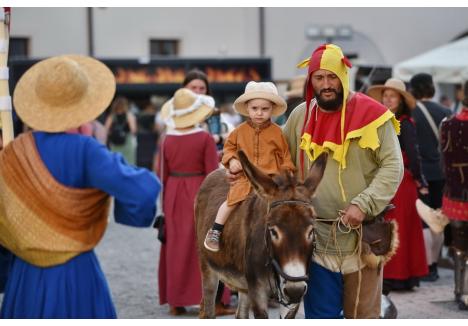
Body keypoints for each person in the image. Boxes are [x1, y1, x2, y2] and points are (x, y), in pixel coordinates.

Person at [0, 55, 160, 318]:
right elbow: (142, 191)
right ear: (82, 102)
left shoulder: (14, 151)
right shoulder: (86, 150)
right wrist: (127, 213)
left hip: (24, 273)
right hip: (74, 272)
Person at [282, 44, 403, 318]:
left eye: (332, 76)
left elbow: (393, 166)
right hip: (316, 240)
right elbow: (279, 160)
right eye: (319, 77)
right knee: (321, 317)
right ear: (311, 80)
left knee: (363, 316)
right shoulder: (300, 116)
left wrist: (364, 204)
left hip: (362, 239)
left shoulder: (374, 115)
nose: (326, 85)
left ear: (343, 76)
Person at [203, 81, 296, 252]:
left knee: (284, 209)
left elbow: (285, 157)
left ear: (272, 109)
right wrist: (231, 161)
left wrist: (287, 173)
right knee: (230, 202)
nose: (259, 113)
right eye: (255, 108)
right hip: (245, 178)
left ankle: (287, 241)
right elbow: (228, 148)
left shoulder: (278, 133)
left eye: (264, 109)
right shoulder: (238, 131)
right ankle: (216, 229)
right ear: (247, 108)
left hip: (271, 182)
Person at [157, 88, 223, 316]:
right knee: (203, 245)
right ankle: (212, 299)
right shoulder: (204, 137)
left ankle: (175, 301)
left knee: (175, 246)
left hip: (174, 192)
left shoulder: (166, 139)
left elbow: (161, 175)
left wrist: (164, 204)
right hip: (200, 191)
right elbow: (213, 173)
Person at [367, 78, 429, 294]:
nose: (388, 99)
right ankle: (394, 275)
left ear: (401, 100)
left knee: (397, 227)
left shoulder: (404, 123)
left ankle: (399, 276)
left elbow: (413, 154)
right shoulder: (383, 121)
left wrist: (420, 179)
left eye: (392, 96)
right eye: (385, 96)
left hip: (401, 182)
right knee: (393, 227)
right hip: (388, 180)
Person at [416, 80, 468, 310]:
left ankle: (461, 291)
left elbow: (443, 160)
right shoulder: (445, 116)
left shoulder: (448, 123)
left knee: (460, 247)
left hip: (455, 197)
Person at [409, 73, 452, 282]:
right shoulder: (446, 111)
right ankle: (434, 265)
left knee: (425, 222)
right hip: (443, 174)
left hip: (422, 175)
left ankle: (427, 267)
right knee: (439, 220)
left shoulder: (412, 112)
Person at [105, 96, 138, 165]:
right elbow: (133, 130)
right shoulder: (129, 115)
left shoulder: (111, 116)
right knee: (128, 163)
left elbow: (106, 129)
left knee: (115, 163)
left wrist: (113, 134)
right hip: (127, 142)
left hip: (114, 143)